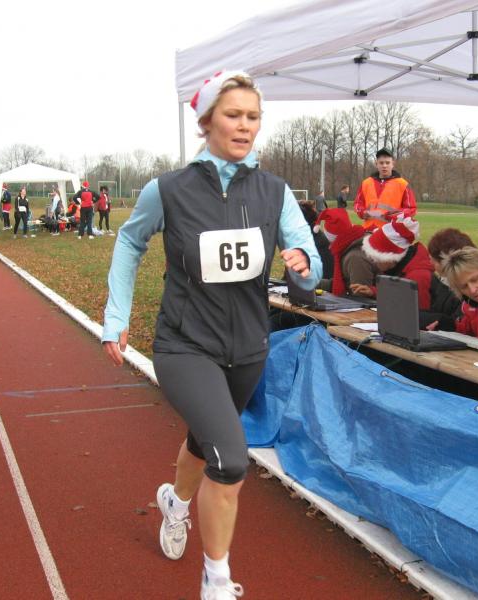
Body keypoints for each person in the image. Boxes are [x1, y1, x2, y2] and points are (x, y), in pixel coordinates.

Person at [101, 70, 321, 600]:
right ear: (206, 122)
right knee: (231, 459)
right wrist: (116, 314)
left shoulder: (274, 191)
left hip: (248, 347)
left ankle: (175, 502)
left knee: (206, 442)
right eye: (233, 115)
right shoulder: (168, 190)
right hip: (184, 344)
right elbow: (129, 242)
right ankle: (216, 580)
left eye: (253, 117)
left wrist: (302, 262)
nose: (245, 126)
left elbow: (311, 266)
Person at [355, 215, 436, 310]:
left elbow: (419, 314)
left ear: (390, 257)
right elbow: (400, 294)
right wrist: (374, 292)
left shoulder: (418, 277)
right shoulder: (401, 267)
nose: (373, 261)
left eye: (376, 257)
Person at [313, 208, 376, 296]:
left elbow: (361, 296)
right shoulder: (350, 246)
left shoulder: (355, 258)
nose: (330, 246)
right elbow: (345, 282)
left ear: (334, 240)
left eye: (330, 242)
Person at [353, 148, 417, 231]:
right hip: (368, 230)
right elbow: (358, 204)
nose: (384, 166)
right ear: (376, 164)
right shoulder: (366, 183)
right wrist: (362, 212)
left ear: (392, 164)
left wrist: (393, 215)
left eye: (387, 163)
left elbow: (411, 209)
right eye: (381, 163)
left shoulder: (402, 184)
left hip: (391, 232)